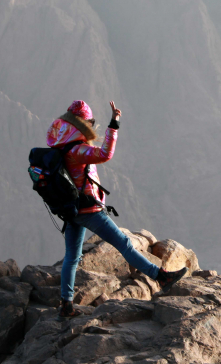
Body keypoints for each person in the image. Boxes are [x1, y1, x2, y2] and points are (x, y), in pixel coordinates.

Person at [46, 99, 187, 318]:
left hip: (71, 210)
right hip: (88, 211)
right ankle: (160, 277)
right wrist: (113, 125)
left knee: (71, 258)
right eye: (90, 122)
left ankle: (66, 304)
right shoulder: (78, 150)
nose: (92, 125)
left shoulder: (60, 146)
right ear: (82, 123)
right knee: (125, 244)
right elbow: (104, 154)